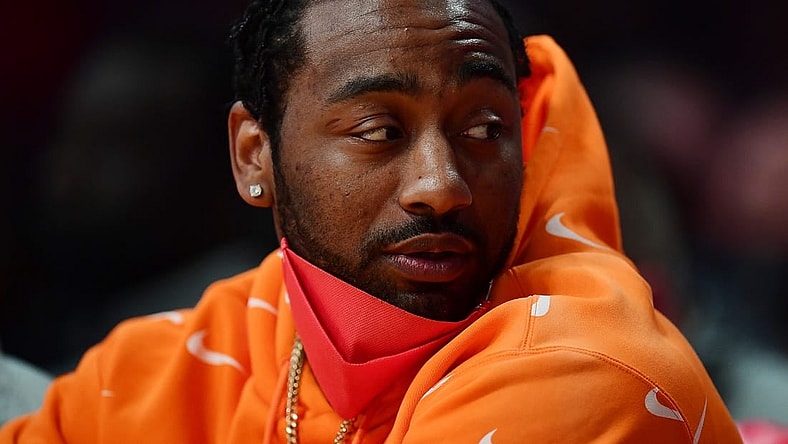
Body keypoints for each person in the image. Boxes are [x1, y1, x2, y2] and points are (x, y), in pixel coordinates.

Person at [0, 0, 742, 442]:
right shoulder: (186, 355)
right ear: (254, 157)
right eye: (379, 131)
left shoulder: (591, 370)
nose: (441, 187)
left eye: (484, 128)